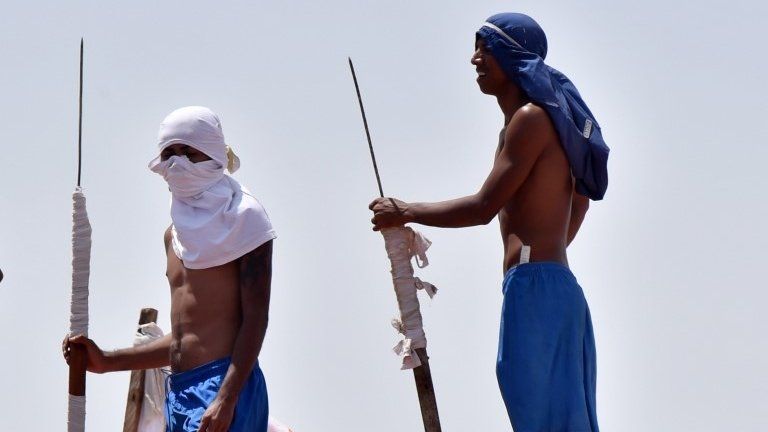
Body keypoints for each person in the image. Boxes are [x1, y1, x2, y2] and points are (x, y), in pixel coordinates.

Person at [369, 13, 608, 432]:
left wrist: (405, 211)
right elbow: (580, 203)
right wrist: (548, 251)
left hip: (537, 289)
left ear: (512, 58)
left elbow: (482, 208)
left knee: (539, 418)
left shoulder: (531, 121)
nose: (475, 58)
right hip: (550, 286)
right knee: (558, 417)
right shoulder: (542, 121)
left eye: (486, 49)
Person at [64, 106, 275, 432]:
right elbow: (187, 338)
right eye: (169, 153)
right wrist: (108, 361)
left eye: (189, 152)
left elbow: (255, 318)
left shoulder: (245, 218)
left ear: (213, 154)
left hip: (225, 386)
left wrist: (226, 398)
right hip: (178, 392)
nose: (178, 163)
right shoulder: (174, 235)